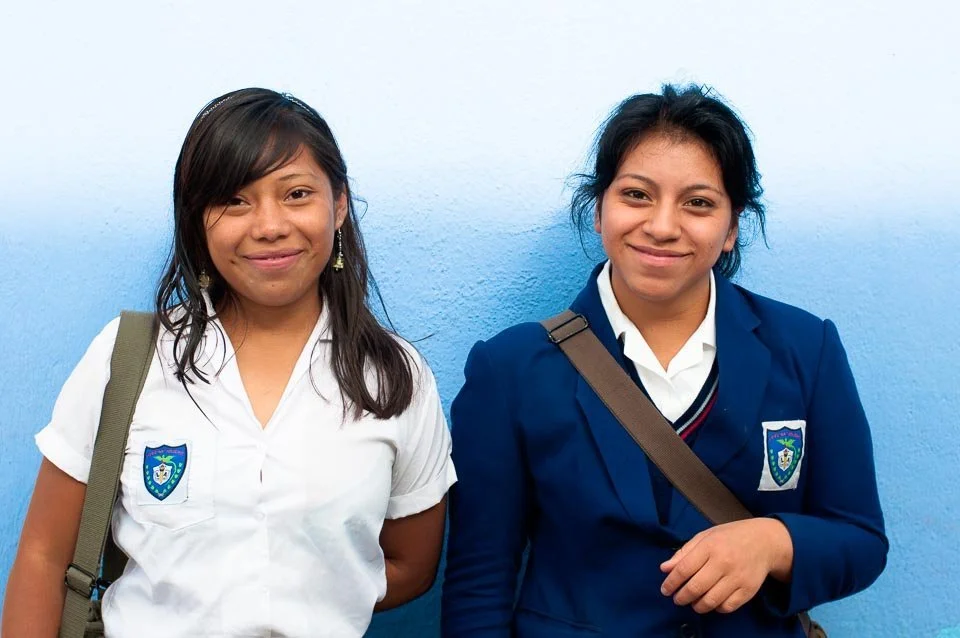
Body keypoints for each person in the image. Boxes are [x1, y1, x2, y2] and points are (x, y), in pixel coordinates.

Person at [2, 88, 456, 638]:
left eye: (296, 194)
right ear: (198, 220)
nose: (268, 225)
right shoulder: (129, 359)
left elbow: (410, 566)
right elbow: (45, 556)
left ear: (338, 206)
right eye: (234, 201)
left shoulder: (395, 378)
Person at [441, 85, 887, 637]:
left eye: (698, 202)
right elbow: (479, 582)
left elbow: (861, 540)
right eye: (636, 195)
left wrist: (774, 542)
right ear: (599, 209)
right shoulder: (511, 369)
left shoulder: (804, 347)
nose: (662, 226)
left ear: (732, 228)